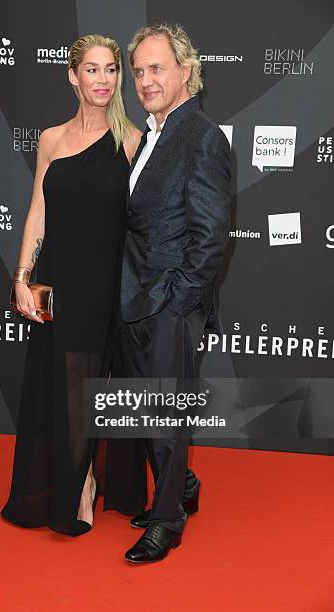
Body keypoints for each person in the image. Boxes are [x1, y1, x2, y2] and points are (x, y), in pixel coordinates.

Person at [0, 34, 143, 536]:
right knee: (59, 387)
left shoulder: (132, 140)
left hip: (104, 283)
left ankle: (82, 483)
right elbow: (37, 211)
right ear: (72, 76)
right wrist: (22, 277)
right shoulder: (51, 139)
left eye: (110, 70)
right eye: (92, 70)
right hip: (58, 280)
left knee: (87, 387)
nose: (103, 80)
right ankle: (71, 479)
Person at [118, 23, 231, 562]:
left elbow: (211, 236)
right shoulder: (148, 136)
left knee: (162, 417)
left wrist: (178, 300)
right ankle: (180, 486)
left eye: (156, 68)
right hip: (134, 297)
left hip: (169, 302)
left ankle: (167, 520)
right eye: (138, 71)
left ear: (185, 71)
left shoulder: (202, 135)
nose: (145, 80)